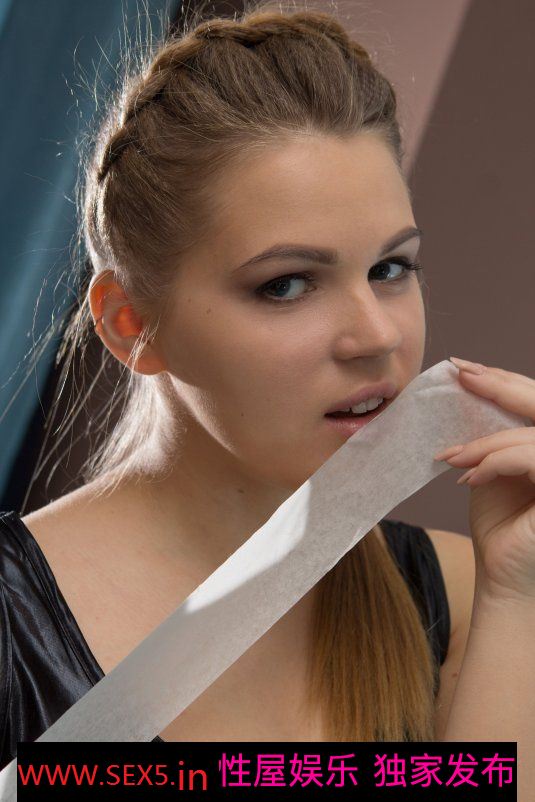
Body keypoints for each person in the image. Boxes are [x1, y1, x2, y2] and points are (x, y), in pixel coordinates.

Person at [1, 0, 534, 784]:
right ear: (130, 323)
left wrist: (518, 599)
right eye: (286, 284)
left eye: (390, 268)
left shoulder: (467, 599)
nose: (375, 336)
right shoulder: (12, 622)